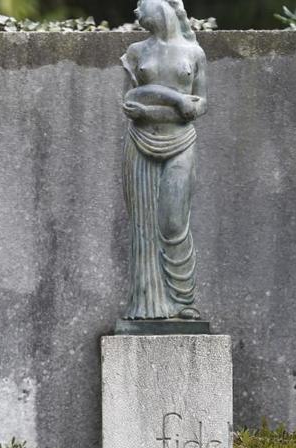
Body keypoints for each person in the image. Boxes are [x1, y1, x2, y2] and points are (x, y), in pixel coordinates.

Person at [120, 0, 208, 320]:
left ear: (161, 7)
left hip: (182, 141)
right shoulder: (135, 51)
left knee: (173, 222)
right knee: (143, 228)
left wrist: (190, 108)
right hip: (140, 142)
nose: (136, 13)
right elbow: (129, 103)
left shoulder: (194, 53)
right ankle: (147, 305)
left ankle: (184, 301)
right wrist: (167, 105)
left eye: (141, 5)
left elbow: (202, 103)